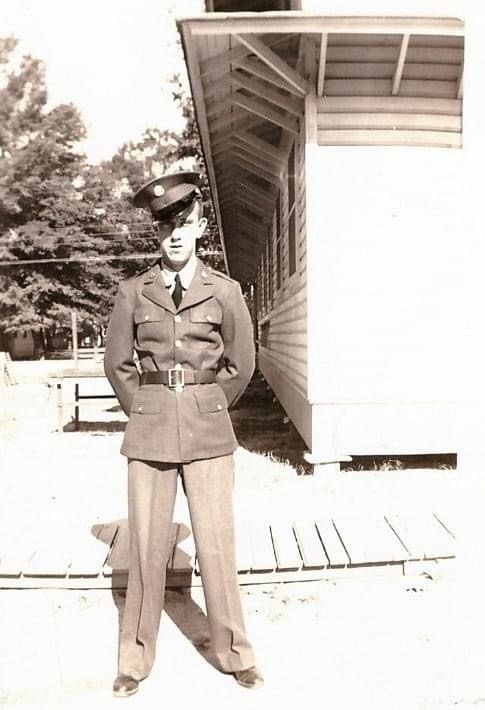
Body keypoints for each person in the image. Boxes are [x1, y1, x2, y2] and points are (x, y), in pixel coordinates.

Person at [104, 171, 264, 697]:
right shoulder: (133, 291)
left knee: (216, 545)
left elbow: (241, 363)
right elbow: (117, 364)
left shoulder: (225, 291)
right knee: (145, 548)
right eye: (165, 227)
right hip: (150, 431)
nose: (174, 236)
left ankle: (235, 653)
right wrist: (147, 407)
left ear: (199, 228)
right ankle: (134, 660)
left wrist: (207, 405)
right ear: (157, 232)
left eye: (184, 224)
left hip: (208, 430)